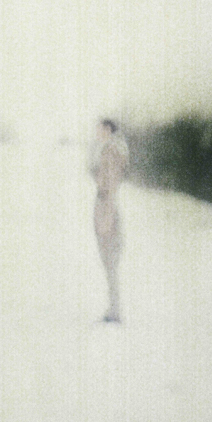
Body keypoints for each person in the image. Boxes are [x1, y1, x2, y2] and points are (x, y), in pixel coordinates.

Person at [90, 119, 129, 323]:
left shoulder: (111, 151)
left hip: (107, 207)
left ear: (107, 129)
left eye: (99, 129)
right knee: (109, 263)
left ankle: (115, 311)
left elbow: (111, 185)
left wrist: (107, 216)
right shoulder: (108, 149)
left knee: (110, 262)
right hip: (105, 206)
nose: (96, 132)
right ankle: (114, 309)